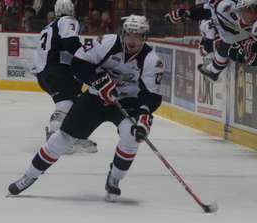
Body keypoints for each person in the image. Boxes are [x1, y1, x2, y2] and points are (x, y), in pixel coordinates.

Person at [8, 14, 165, 202]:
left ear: (145, 37)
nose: (132, 40)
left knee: (131, 135)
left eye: (138, 36)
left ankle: (114, 179)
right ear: (123, 33)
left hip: (127, 102)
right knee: (63, 138)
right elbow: (78, 63)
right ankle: (29, 176)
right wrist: (97, 81)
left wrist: (145, 114)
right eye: (129, 34)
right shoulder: (106, 43)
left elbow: (151, 95)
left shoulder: (151, 60)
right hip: (95, 98)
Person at [30, 0, 97, 154]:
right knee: (66, 104)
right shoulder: (68, 21)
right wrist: (88, 58)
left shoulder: (49, 26)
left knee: (78, 103)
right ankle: (55, 137)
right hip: (56, 71)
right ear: (71, 9)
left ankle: (74, 136)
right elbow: (70, 43)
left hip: (45, 73)